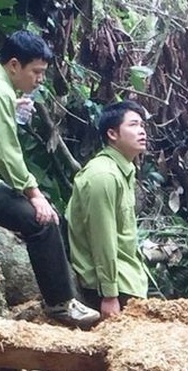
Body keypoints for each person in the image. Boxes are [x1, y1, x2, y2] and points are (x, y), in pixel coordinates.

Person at [0, 30, 99, 328]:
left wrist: (10, 108)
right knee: (42, 222)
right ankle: (60, 304)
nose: (40, 79)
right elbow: (6, 155)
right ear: (15, 65)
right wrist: (35, 195)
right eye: (37, 72)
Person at [66, 100, 152, 319]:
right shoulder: (103, 176)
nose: (141, 131)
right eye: (133, 125)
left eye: (142, 125)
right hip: (110, 290)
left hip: (129, 282)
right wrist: (110, 295)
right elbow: (102, 239)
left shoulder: (122, 171)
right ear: (112, 134)